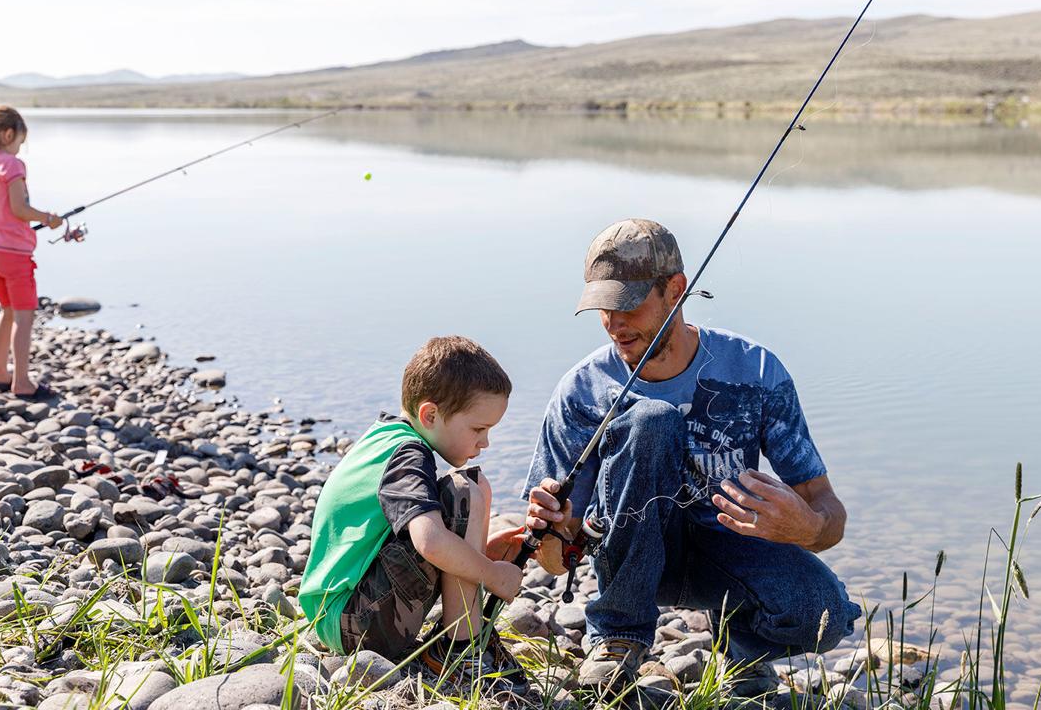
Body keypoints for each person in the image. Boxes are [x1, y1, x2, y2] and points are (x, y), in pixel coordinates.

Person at [523, 219, 862, 694]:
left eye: (628, 304)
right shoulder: (581, 390)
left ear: (676, 290)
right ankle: (619, 636)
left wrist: (805, 526)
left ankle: (742, 654)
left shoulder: (756, 370)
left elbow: (830, 513)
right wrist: (550, 533)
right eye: (603, 307)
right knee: (651, 419)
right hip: (630, 558)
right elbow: (555, 563)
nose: (614, 323)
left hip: (728, 553)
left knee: (824, 615)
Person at [299, 336, 527, 689]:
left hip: (341, 613)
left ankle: (462, 638)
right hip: (354, 623)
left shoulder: (385, 437)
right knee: (464, 491)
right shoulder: (408, 456)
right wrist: (491, 575)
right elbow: (431, 542)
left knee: (475, 487)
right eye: (478, 429)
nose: (485, 443)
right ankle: (460, 651)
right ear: (430, 414)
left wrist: (476, 553)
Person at [0, 105, 62, 399]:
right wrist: (48, 218)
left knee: (7, 310)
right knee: (24, 316)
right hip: (13, 254)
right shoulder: (12, 165)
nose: (20, 149)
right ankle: (21, 382)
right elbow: (19, 209)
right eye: (20, 142)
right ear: (9, 134)